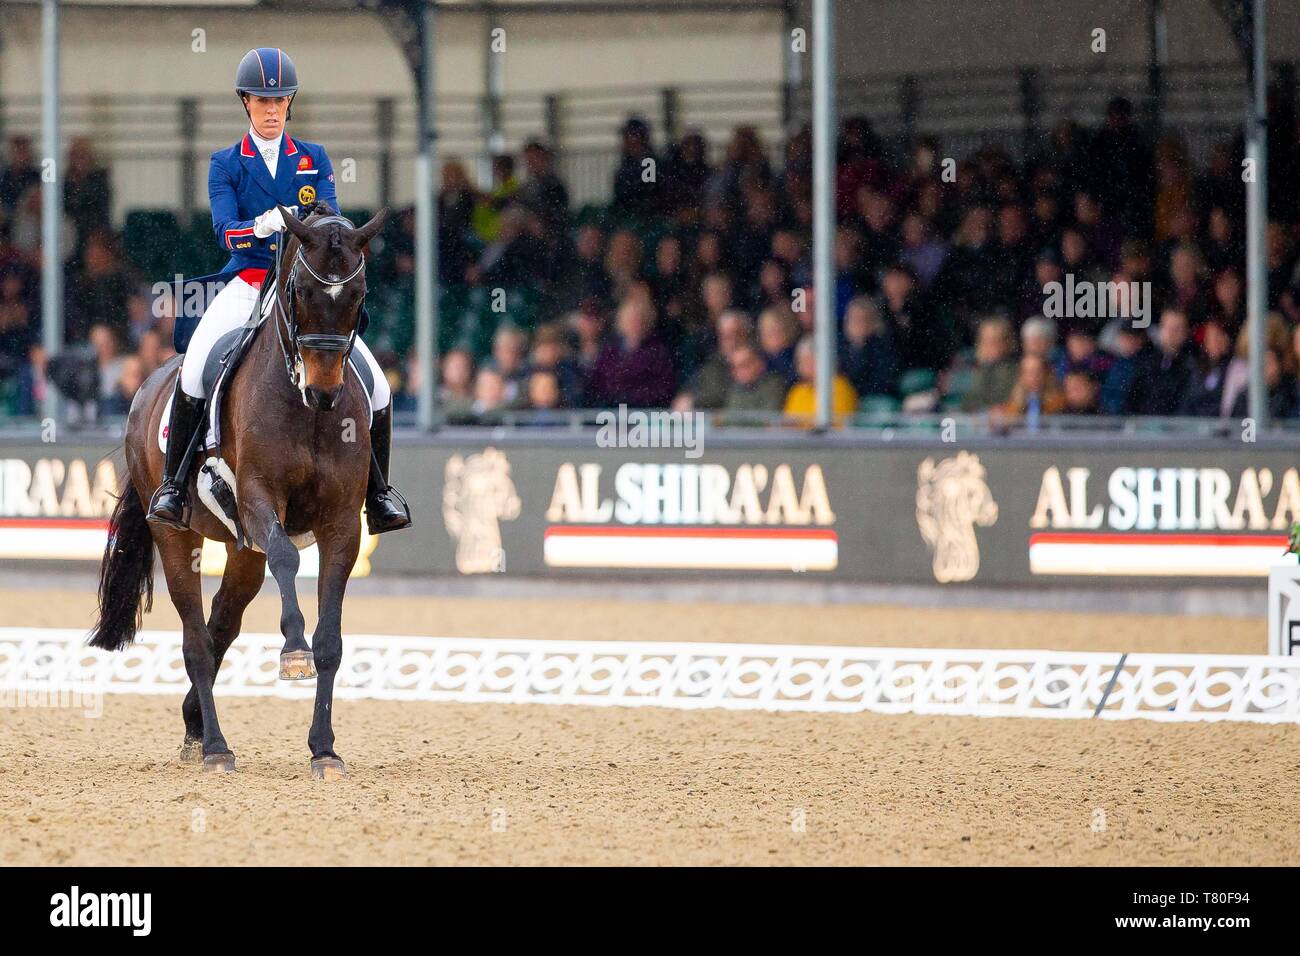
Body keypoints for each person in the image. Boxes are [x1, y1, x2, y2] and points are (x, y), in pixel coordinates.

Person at [148, 47, 409, 535]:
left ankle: (379, 493)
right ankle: (174, 485)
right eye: (262, 101)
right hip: (247, 279)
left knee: (376, 385)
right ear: (245, 102)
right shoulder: (225, 163)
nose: (272, 110)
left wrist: (319, 230)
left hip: (304, 287)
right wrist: (262, 226)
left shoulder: (313, 159)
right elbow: (225, 232)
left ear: (290, 102)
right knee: (195, 369)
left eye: (280, 100)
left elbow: (330, 221)